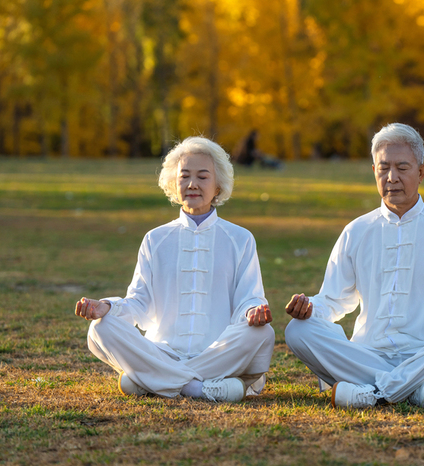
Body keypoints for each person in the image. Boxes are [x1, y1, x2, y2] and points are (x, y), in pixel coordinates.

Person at [284, 123, 424, 409]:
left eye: (402, 168)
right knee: (297, 331)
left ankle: (376, 393)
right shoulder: (356, 230)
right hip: (369, 356)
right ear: (373, 171)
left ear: (421, 172)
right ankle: (416, 391)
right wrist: (310, 309)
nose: (392, 178)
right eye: (383, 168)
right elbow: (333, 300)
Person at [74, 136, 274, 403]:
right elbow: (139, 303)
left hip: (218, 352)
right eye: (184, 176)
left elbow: (249, 298)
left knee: (262, 332)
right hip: (162, 352)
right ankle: (197, 387)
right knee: (100, 328)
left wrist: (253, 312)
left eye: (203, 177)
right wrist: (107, 308)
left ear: (218, 186)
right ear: (173, 183)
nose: (192, 184)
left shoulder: (240, 238)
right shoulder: (155, 239)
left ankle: (150, 380)